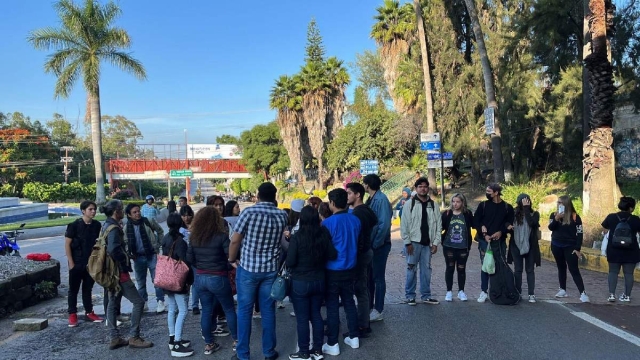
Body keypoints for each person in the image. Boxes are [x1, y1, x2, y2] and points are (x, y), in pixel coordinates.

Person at [228, 182, 288, 360]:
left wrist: (231, 259)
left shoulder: (248, 212)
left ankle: (243, 354)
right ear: (274, 197)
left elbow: (235, 241)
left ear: (258, 195)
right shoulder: (282, 215)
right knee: (268, 311)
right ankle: (269, 352)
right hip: (270, 270)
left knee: (245, 311)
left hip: (247, 269)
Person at [286, 206, 337, 360]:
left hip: (301, 282)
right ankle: (317, 350)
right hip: (320, 280)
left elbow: (290, 261)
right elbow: (332, 254)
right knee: (316, 315)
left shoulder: (297, 236)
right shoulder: (323, 234)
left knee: (302, 318)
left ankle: (303, 351)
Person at [101, 200, 152, 350]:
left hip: (109, 272)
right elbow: (113, 249)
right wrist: (124, 259)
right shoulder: (114, 228)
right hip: (118, 272)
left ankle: (114, 337)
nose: (123, 212)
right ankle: (134, 337)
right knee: (138, 302)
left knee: (112, 303)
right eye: (121, 210)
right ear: (116, 212)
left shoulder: (105, 225)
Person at [187, 206, 238, 355]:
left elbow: (190, 259)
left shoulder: (194, 237)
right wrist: (225, 267)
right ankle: (236, 341)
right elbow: (231, 257)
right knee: (228, 309)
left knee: (207, 311)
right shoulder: (221, 236)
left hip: (201, 279)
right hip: (218, 277)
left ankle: (209, 344)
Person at [321, 188, 361, 356]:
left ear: (332, 203)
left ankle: (332, 343)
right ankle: (354, 337)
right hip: (351, 268)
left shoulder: (327, 223)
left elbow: (324, 249)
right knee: (349, 302)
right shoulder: (355, 220)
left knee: (332, 305)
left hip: (332, 270)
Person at [400, 177, 442, 305]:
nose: (423, 189)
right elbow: (404, 224)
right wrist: (407, 242)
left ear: (428, 188)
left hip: (427, 244)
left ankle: (426, 295)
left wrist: (435, 243)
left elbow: (438, 225)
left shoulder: (433, 205)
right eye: (420, 186)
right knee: (411, 269)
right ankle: (410, 296)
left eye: (425, 186)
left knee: (426, 270)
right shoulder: (409, 204)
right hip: (413, 243)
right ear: (416, 188)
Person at [65, 200, 103, 327]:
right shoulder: (74, 225)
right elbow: (67, 244)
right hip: (77, 262)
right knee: (73, 290)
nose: (93, 211)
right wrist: (71, 263)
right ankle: (72, 314)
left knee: (88, 289)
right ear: (83, 211)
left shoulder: (97, 225)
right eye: (90, 209)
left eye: (94, 209)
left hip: (90, 263)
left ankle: (89, 311)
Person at [473, 183, 514, 303]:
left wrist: (501, 232)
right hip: (485, 240)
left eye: (489, 192)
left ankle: (500, 289)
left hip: (500, 241)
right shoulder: (483, 205)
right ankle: (484, 291)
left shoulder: (507, 207)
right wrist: (483, 230)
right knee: (486, 265)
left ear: (496, 193)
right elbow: (476, 221)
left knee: (501, 265)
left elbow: (509, 223)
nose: (487, 194)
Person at [346, 182, 377, 337]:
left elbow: (359, 237)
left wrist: (356, 253)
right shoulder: (366, 211)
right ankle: (363, 323)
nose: (347, 196)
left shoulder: (359, 213)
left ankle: (361, 325)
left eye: (349, 193)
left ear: (357, 194)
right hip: (365, 252)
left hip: (360, 254)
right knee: (362, 288)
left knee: (359, 289)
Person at [162, 213, 194, 357]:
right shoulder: (180, 241)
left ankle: (172, 338)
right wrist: (189, 280)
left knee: (172, 309)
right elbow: (185, 262)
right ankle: (177, 343)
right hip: (179, 279)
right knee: (183, 310)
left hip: (167, 278)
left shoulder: (165, 238)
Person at [123, 203, 166, 313]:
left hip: (151, 255)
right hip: (138, 257)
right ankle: (144, 303)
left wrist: (158, 244)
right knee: (140, 282)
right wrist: (129, 252)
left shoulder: (148, 221)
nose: (138, 214)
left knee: (156, 280)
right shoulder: (126, 227)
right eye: (134, 212)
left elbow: (160, 231)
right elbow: (125, 242)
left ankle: (160, 301)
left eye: (138, 211)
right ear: (129, 215)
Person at [549, 195, 589, 302]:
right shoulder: (553, 215)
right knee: (561, 267)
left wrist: (577, 248)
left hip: (570, 246)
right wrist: (556, 219)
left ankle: (583, 293)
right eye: (558, 202)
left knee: (573, 269)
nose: (558, 204)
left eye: (561, 202)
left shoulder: (575, 217)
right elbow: (551, 228)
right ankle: (562, 289)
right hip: (556, 244)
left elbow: (580, 233)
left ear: (566, 204)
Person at [363, 174, 392, 322]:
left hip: (379, 245)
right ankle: (371, 306)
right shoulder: (372, 199)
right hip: (373, 244)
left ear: (367, 185)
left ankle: (378, 309)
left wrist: (376, 243)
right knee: (371, 277)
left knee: (378, 278)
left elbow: (384, 224)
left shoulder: (381, 200)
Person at [601, 196, 640, 302]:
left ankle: (612, 295)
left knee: (613, 272)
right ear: (631, 208)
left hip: (614, 250)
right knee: (628, 274)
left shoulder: (611, 217)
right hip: (631, 251)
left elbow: (604, 228)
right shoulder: (636, 219)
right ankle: (627, 296)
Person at [506, 194, 541, 303]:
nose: (526, 202)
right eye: (523, 201)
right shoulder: (514, 213)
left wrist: (526, 209)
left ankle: (531, 294)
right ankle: (518, 292)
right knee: (518, 270)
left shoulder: (535, 214)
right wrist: (508, 226)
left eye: (527, 201)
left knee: (530, 270)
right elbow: (506, 223)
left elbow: (532, 223)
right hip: (516, 244)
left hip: (530, 245)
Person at [441, 193, 474, 302]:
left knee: (461, 268)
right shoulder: (447, 213)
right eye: (453, 201)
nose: (455, 204)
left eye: (458, 202)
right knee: (450, 267)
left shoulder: (467, 214)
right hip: (449, 246)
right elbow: (440, 227)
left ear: (462, 202)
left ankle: (461, 291)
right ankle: (449, 291)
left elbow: (474, 224)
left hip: (463, 246)